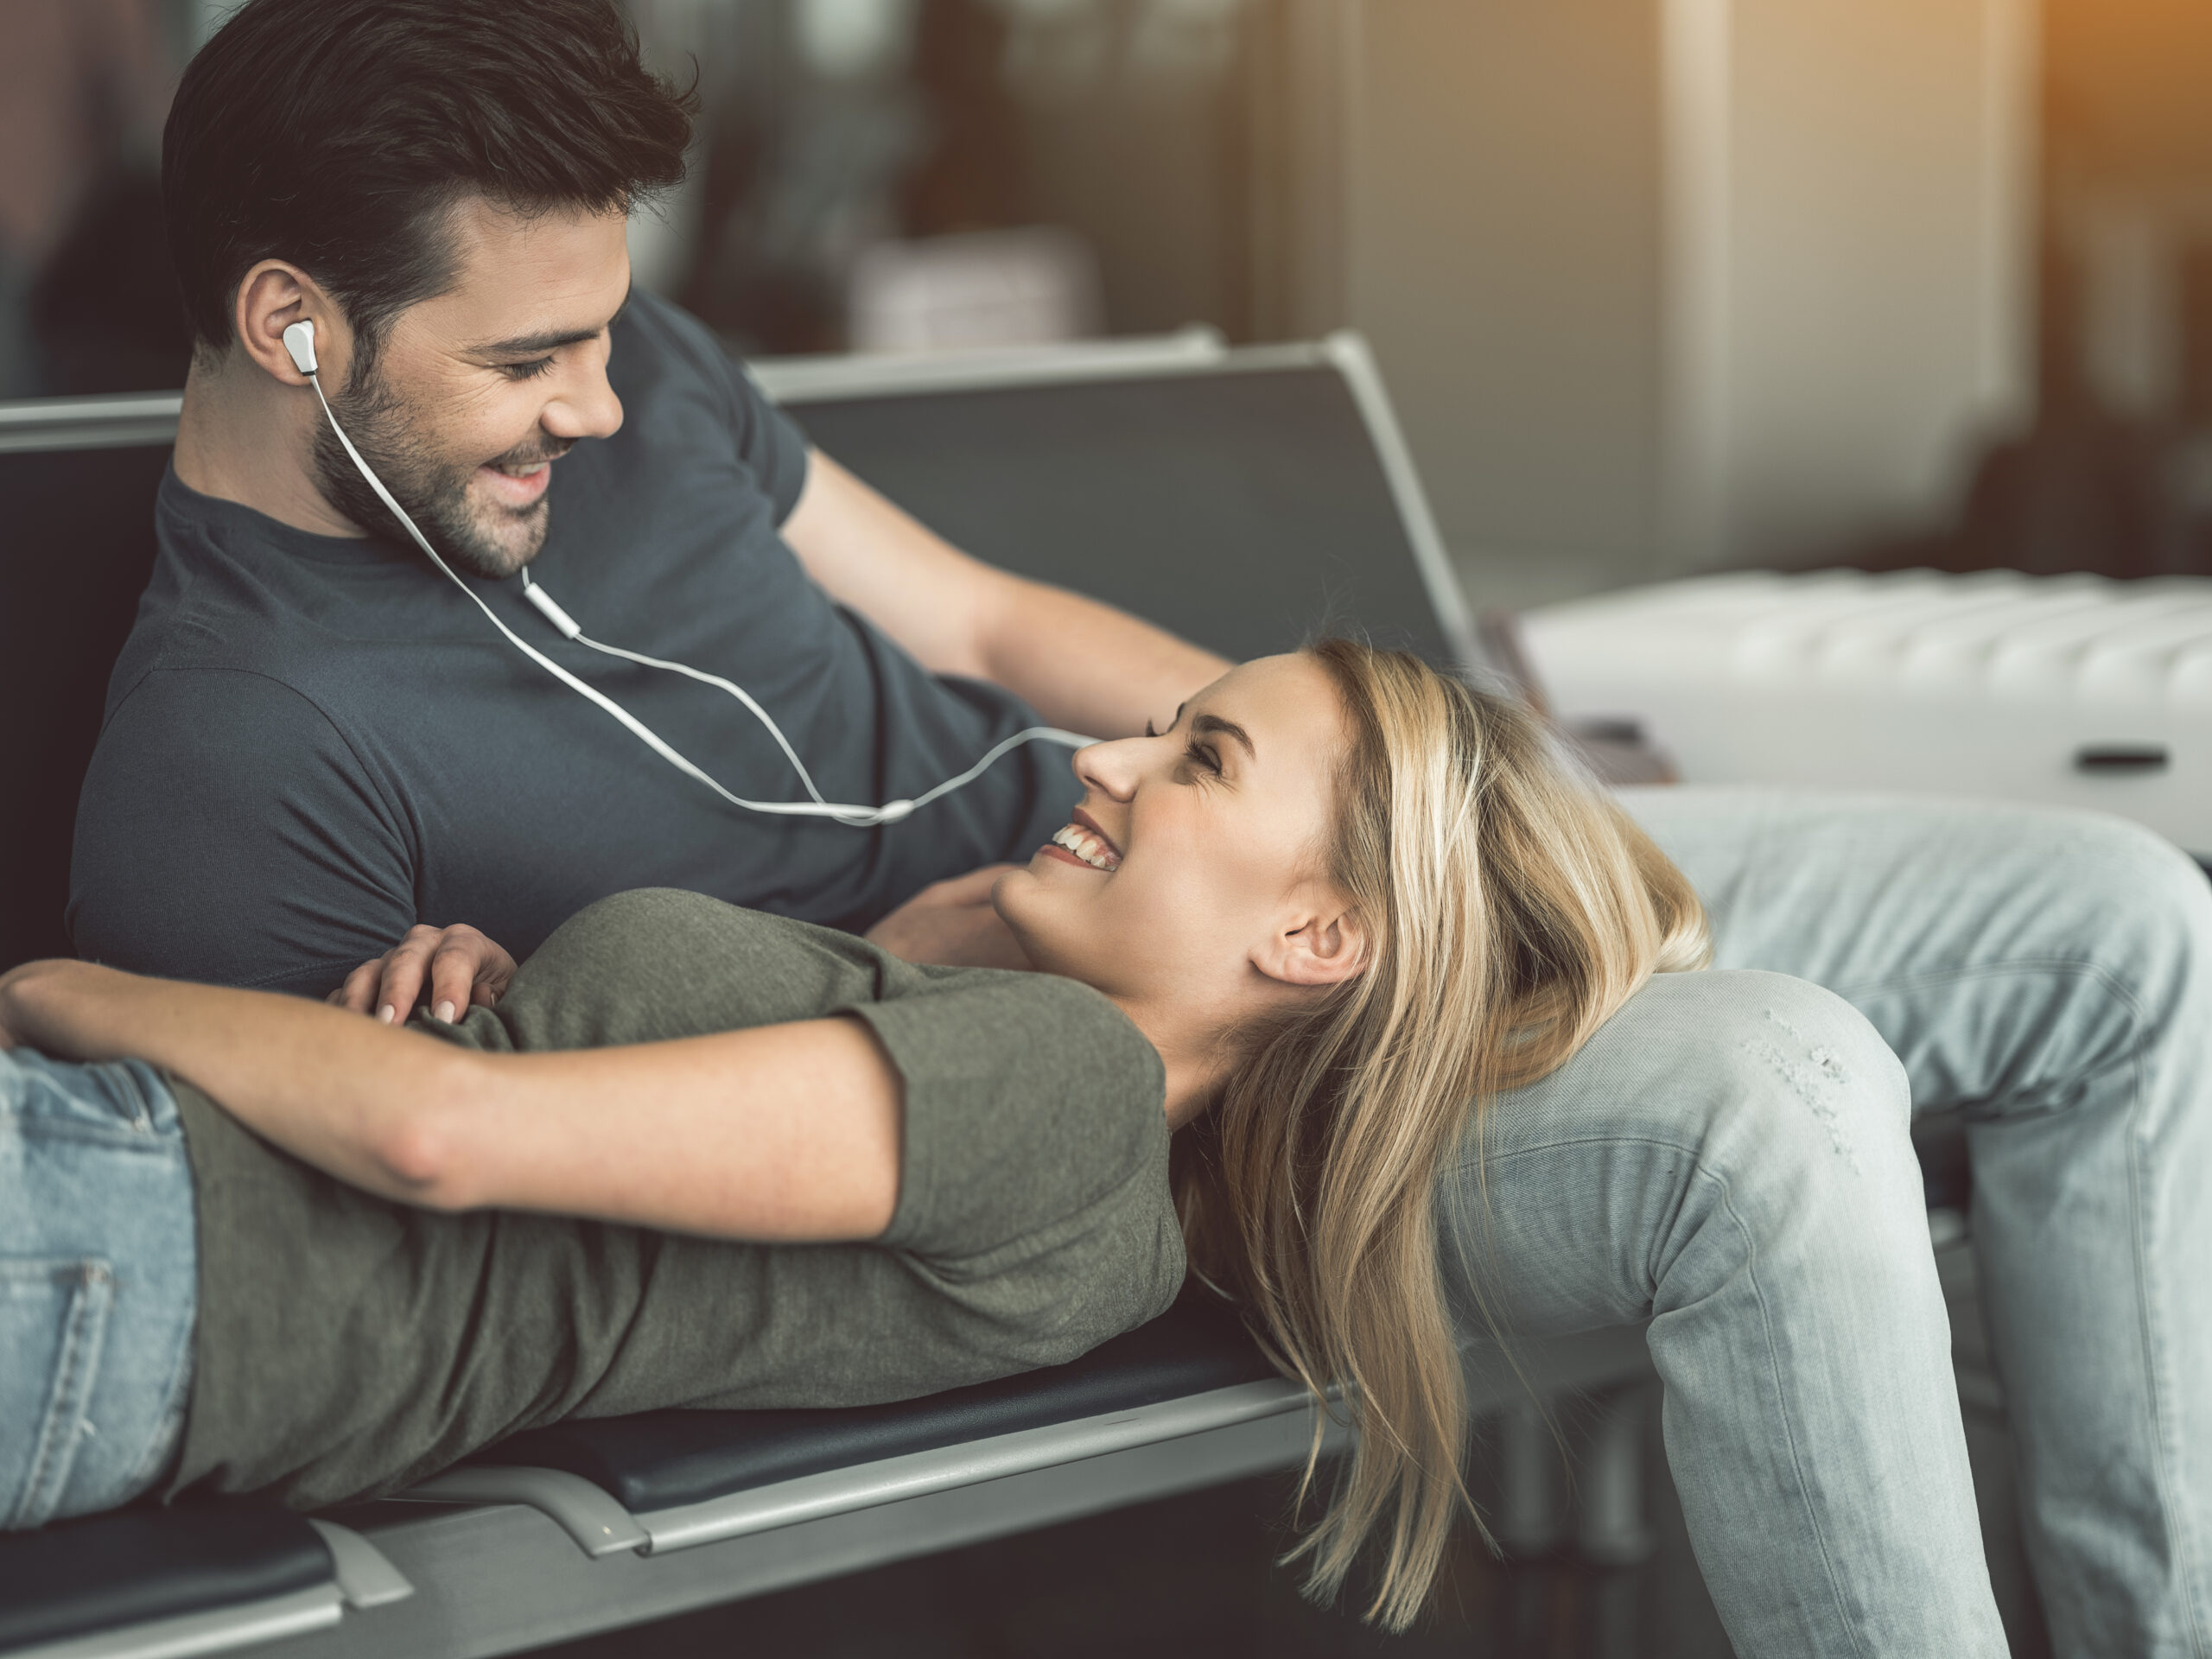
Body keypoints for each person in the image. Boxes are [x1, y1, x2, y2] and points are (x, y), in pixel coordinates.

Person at [50, 1, 2211, 1653]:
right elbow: (418, 1199)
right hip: (1155, 1091)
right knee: (1778, 1097)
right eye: (533, 363)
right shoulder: (236, 760)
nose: (604, 407)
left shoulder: (621, 376)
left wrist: (1361, 793)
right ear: (288, 325)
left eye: (611, 337)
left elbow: (975, 616)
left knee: (2124, 924)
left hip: (1271, 886)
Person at [7, 645, 1700, 1631]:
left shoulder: (1072, 1091)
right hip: (127, 1252)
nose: (1102, 756)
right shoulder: (1025, 1068)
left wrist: (68, 991)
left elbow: (448, 1141)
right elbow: (524, 1135)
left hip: (124, 1240)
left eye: (1196, 758)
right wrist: (505, 995)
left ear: (1318, 939)